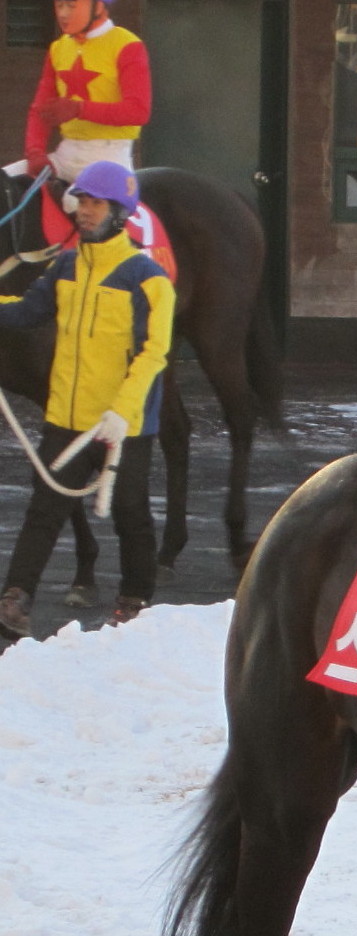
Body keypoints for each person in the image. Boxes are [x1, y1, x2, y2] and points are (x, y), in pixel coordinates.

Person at [0, 161, 173, 641]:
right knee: (43, 511)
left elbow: (154, 353)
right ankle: (15, 599)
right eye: (82, 202)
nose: (85, 211)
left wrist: (123, 411)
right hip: (67, 418)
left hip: (123, 424)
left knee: (131, 515)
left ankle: (134, 601)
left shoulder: (147, 278)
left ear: (119, 213)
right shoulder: (66, 266)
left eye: (96, 203)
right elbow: (28, 312)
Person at [3, 0, 151, 186]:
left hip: (109, 157)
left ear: (98, 6)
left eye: (71, 6)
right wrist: (35, 153)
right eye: (59, 6)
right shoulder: (58, 48)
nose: (63, 14)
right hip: (66, 153)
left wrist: (79, 109)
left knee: (75, 201)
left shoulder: (128, 45)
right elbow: (40, 110)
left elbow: (138, 111)